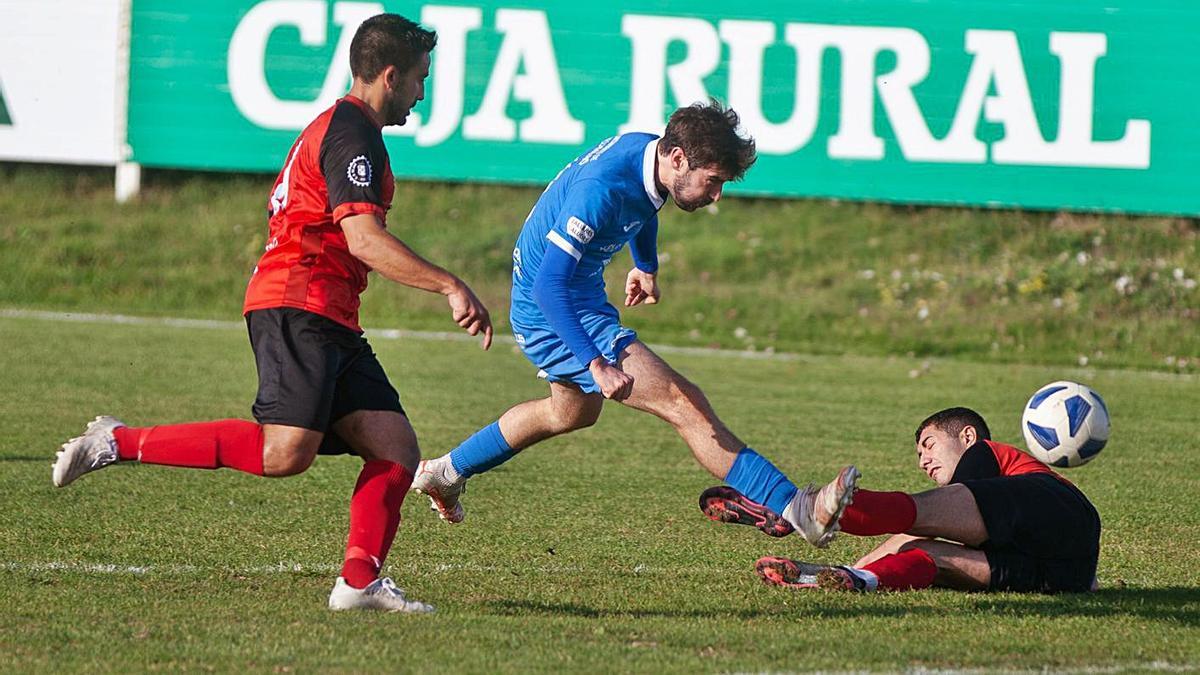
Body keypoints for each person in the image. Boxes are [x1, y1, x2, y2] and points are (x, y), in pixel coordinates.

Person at [50, 13, 493, 613]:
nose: (422, 94)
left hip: (329, 312)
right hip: (299, 302)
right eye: (419, 80)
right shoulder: (350, 133)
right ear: (390, 76)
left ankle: (358, 583)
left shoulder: (347, 130)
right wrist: (449, 285)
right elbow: (362, 238)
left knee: (395, 448)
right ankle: (117, 442)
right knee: (284, 453)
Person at [410, 100, 857, 545]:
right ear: (679, 158)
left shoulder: (647, 157)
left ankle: (445, 472)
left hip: (570, 296)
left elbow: (645, 204)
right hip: (553, 307)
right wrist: (594, 362)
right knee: (684, 401)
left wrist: (645, 264)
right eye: (714, 181)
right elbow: (549, 285)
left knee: (568, 413)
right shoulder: (602, 188)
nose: (717, 195)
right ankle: (798, 507)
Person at [702, 407, 1102, 594]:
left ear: (966, 436)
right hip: (1068, 575)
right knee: (936, 559)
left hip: (1056, 504)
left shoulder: (985, 451)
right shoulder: (993, 498)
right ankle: (856, 580)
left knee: (921, 511)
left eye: (928, 445)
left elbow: (918, 520)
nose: (924, 459)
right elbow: (913, 543)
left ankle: (793, 509)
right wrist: (842, 569)